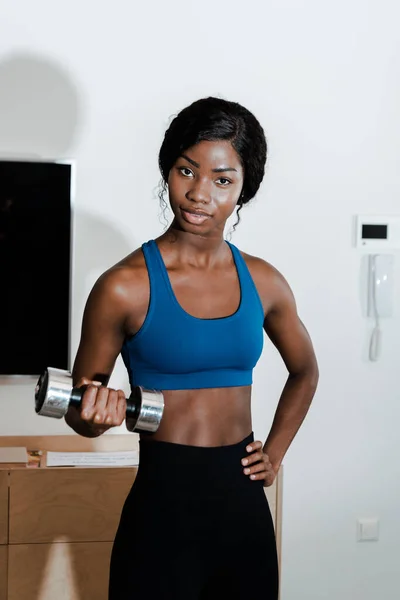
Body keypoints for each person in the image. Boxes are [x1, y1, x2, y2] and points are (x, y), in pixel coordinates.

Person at [65, 96, 319, 600]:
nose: (200, 193)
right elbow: (81, 407)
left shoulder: (265, 282)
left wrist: (275, 453)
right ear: (168, 168)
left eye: (223, 180)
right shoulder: (124, 286)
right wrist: (93, 414)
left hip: (243, 505)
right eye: (187, 170)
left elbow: (305, 371)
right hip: (163, 506)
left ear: (245, 189)